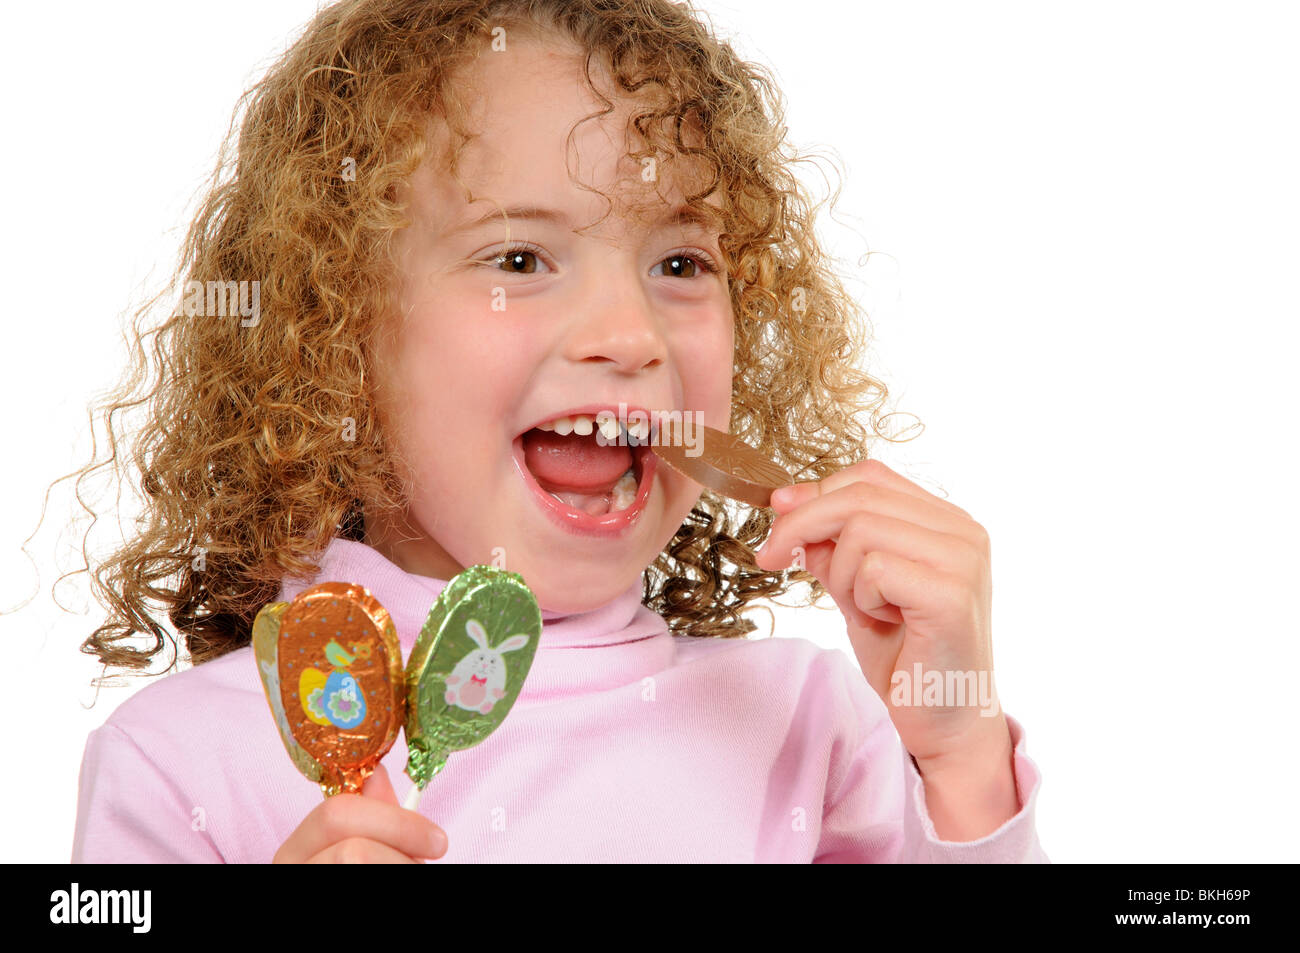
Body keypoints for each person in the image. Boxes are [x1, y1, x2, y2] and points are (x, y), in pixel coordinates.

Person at [70, 0, 1047, 863]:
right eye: (522, 255)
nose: (629, 335)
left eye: (680, 263)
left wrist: (960, 764)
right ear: (335, 336)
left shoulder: (812, 729)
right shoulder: (176, 760)